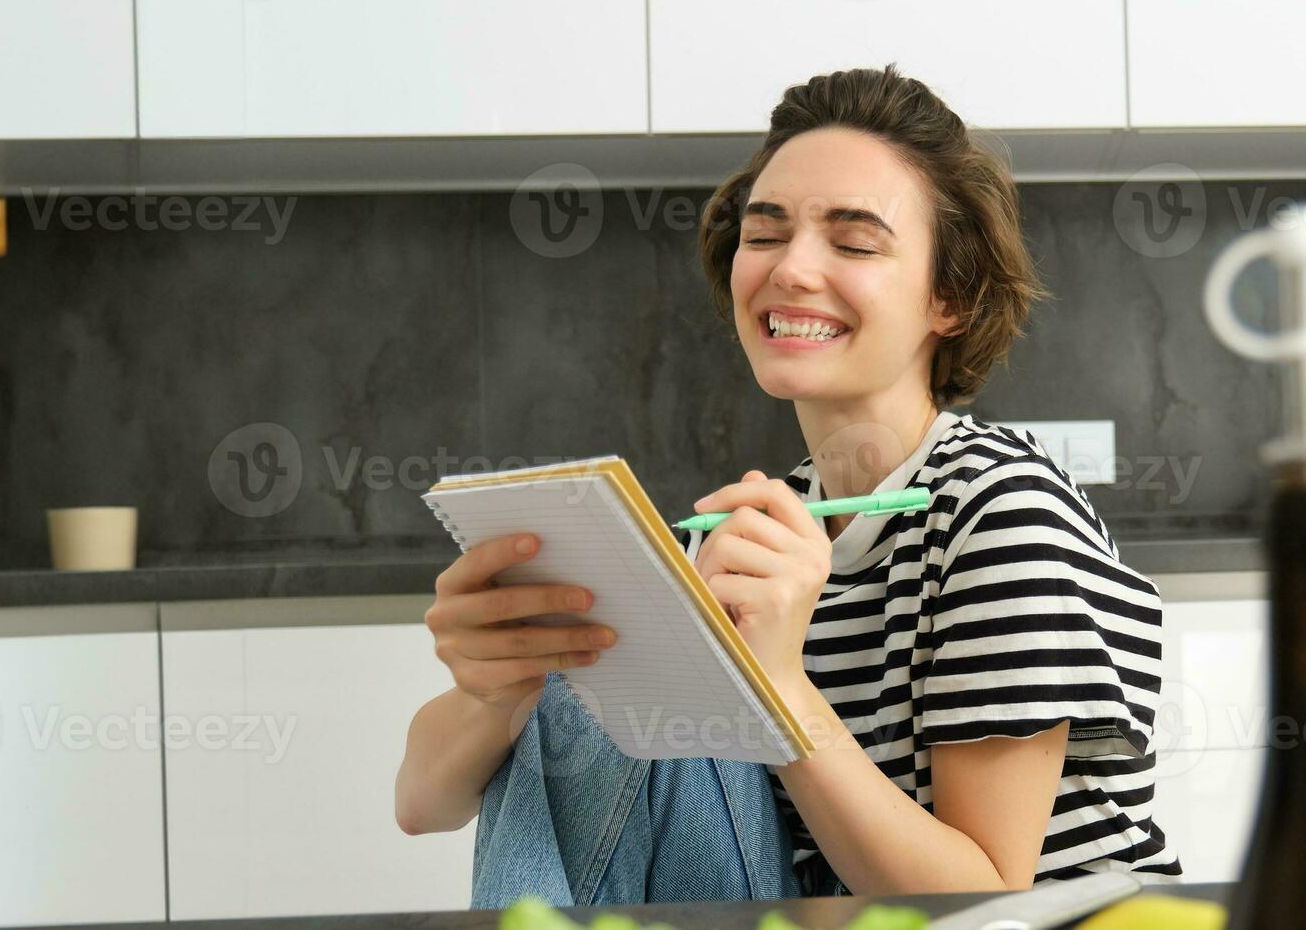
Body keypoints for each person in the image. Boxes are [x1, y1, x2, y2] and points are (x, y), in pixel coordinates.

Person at [395, 66, 1180, 902]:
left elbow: (982, 899)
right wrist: (495, 690)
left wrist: (775, 686)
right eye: (766, 235)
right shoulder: (749, 534)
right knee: (579, 676)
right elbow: (421, 804)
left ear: (948, 296)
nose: (792, 270)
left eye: (853, 241)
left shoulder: (1001, 512)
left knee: (613, 686)